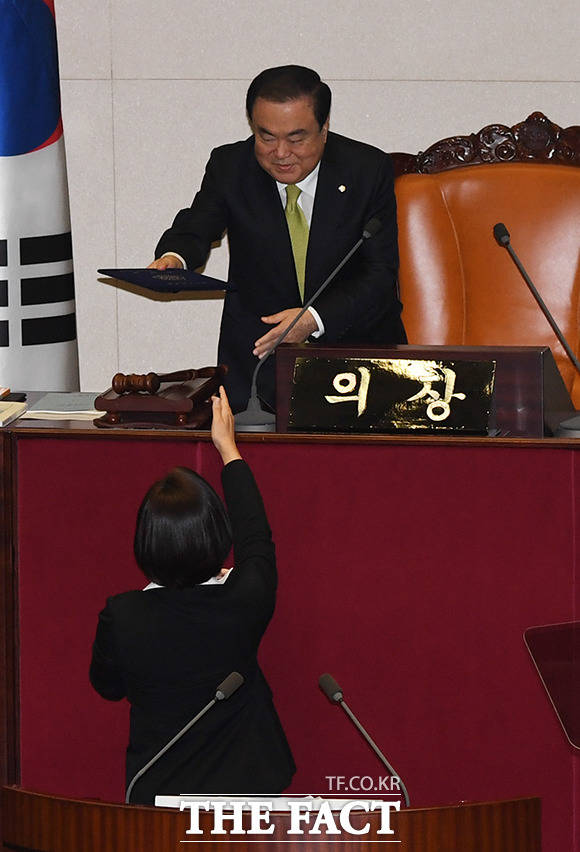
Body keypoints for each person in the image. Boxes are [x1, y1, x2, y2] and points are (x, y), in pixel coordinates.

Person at [150, 65, 406, 412]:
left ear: (324, 127)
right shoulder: (231, 166)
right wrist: (174, 259)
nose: (281, 152)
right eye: (266, 136)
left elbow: (380, 273)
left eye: (297, 138)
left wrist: (313, 318)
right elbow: (197, 225)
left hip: (358, 356)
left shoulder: (366, 169)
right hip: (258, 366)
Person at [89, 387, 295, 804]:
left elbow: (107, 687)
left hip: (160, 794)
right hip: (251, 791)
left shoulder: (123, 615)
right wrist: (228, 450)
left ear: (145, 543)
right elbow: (256, 536)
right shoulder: (245, 599)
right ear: (218, 536)